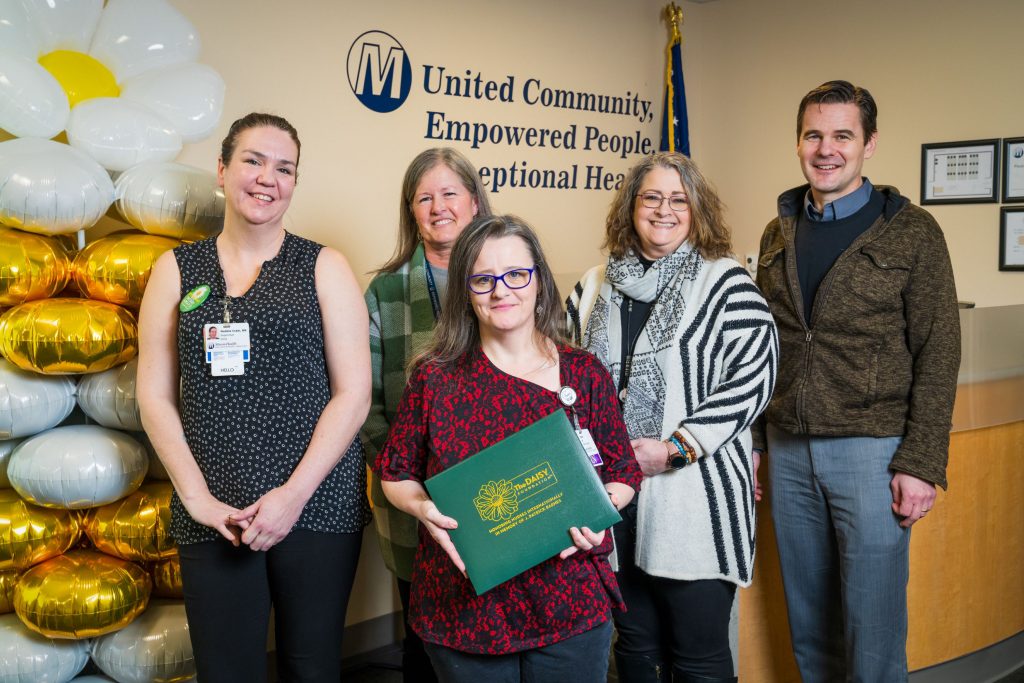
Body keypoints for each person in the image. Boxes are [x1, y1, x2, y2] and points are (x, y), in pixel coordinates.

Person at [138, 113, 371, 683]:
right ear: (222, 170)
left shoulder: (324, 266)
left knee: (311, 668)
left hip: (316, 503)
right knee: (226, 671)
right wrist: (196, 499)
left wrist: (292, 496)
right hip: (215, 513)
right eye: (253, 160)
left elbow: (354, 394)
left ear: (294, 182)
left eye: (284, 167)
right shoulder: (176, 269)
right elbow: (155, 395)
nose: (268, 177)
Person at [753, 80, 961, 683]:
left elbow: (939, 350)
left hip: (872, 454)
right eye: (814, 134)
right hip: (789, 449)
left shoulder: (913, 232)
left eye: (842, 135)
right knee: (809, 626)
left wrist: (921, 462)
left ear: (869, 143)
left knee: (872, 631)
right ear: (798, 142)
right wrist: (759, 444)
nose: (826, 149)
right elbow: (763, 346)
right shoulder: (778, 231)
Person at [375, 215, 642, 682]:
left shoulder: (584, 373)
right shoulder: (434, 378)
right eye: (483, 279)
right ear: (465, 290)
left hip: (570, 600)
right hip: (464, 608)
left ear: (539, 279)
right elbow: (395, 472)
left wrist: (598, 512)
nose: (501, 291)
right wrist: (422, 508)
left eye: (516, 274)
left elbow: (624, 471)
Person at [567, 151, 778, 683]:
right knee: (634, 645)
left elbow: (754, 377)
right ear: (630, 207)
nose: (664, 209)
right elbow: (560, 376)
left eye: (679, 199)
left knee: (698, 654)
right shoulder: (594, 285)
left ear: (697, 210)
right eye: (652, 197)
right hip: (612, 496)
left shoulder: (725, 282)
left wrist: (676, 447)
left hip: (694, 497)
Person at [360, 148, 492, 682]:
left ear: (475, 201)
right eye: (424, 197)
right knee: (424, 644)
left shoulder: (508, 276)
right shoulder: (385, 290)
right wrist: (403, 475)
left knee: (492, 638)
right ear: (410, 211)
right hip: (413, 499)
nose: (439, 207)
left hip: (498, 488)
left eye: (450, 193)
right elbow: (364, 402)